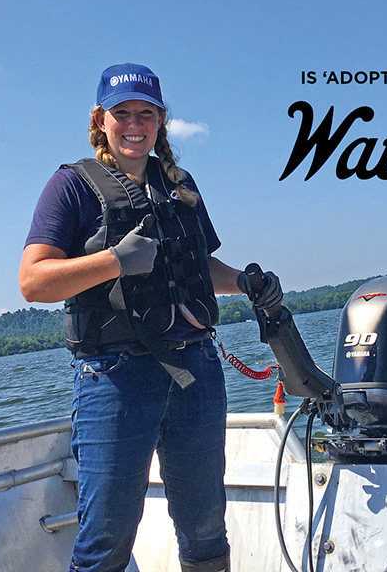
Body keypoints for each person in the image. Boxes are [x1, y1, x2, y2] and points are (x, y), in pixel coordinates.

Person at [19, 63, 282, 572]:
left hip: (196, 373)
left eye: (146, 113)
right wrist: (115, 260)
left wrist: (246, 281)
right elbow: (33, 281)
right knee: (107, 539)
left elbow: (200, 265)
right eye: (122, 113)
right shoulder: (70, 187)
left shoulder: (180, 185)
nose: (134, 124)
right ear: (101, 120)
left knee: (206, 528)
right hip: (114, 379)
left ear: (161, 120)